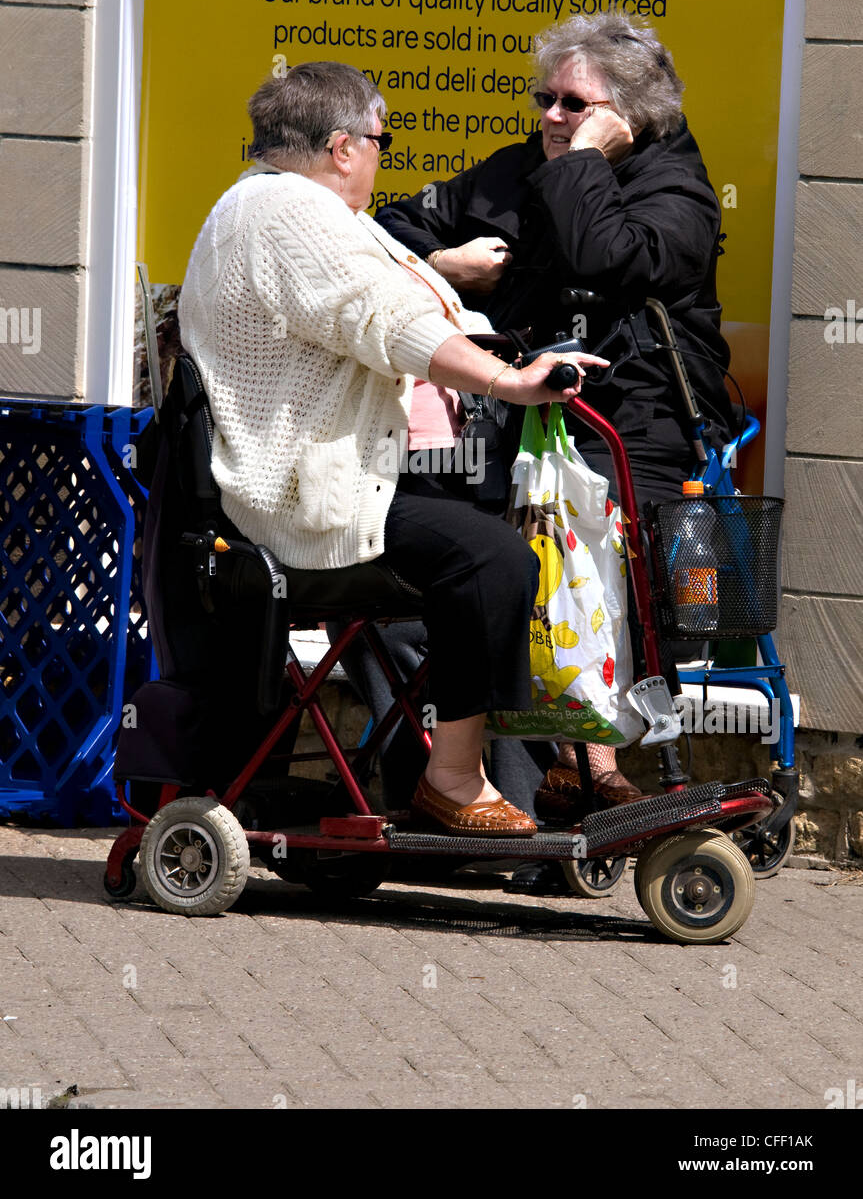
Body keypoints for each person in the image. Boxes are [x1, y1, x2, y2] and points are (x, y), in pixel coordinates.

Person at [178, 61, 605, 838]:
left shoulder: (283, 208)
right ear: (342, 146)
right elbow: (381, 318)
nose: (382, 154)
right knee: (490, 557)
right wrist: (507, 381)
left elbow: (406, 299)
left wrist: (507, 350)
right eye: (380, 139)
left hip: (323, 484)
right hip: (299, 504)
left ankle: (478, 769)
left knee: (483, 545)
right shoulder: (284, 211)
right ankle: (453, 779)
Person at [376, 13, 737, 870]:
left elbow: (604, 252)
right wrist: (446, 267)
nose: (550, 116)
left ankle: (592, 765)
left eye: (575, 104)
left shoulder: (674, 187)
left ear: (629, 116)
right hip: (513, 411)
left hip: (634, 417)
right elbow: (390, 227)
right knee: (495, 563)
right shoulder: (518, 166)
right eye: (545, 98)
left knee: (604, 576)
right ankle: (530, 776)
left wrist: (580, 163)